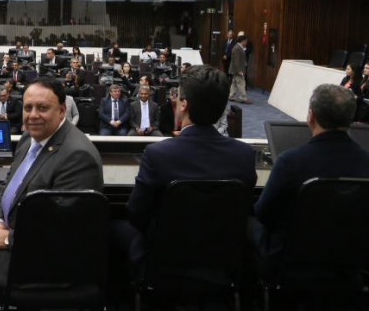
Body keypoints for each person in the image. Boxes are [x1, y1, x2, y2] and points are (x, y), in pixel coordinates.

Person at [0, 78, 103, 311]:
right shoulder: (30, 137)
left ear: (62, 110)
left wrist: (6, 240)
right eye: (27, 108)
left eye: (42, 108)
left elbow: (63, 232)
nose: (32, 115)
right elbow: (8, 184)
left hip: (53, 257)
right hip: (25, 233)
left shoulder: (77, 156)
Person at [122, 66, 257, 264]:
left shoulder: (157, 155)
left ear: (183, 104)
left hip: (166, 263)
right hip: (222, 264)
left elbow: (136, 215)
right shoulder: (244, 155)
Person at [254, 84, 369, 263]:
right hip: (350, 263)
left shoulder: (289, 162)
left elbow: (263, 213)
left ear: (310, 116)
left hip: (293, 263)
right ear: (350, 118)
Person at [228, 35, 251, 103]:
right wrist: (239, 70)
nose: (246, 42)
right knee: (241, 83)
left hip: (235, 69)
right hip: (237, 70)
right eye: (246, 41)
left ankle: (231, 96)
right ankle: (243, 98)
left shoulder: (238, 47)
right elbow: (236, 60)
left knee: (234, 83)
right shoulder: (237, 48)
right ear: (243, 41)